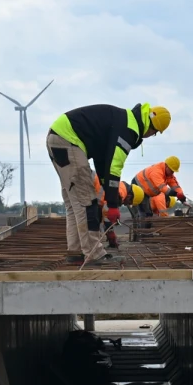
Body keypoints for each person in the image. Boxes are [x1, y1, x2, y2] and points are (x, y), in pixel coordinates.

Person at [46, 103, 171, 265]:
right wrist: (113, 205)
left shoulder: (123, 119)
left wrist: (106, 188)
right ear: (153, 128)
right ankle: (94, 254)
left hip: (58, 137)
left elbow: (101, 160)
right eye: (154, 134)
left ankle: (75, 252)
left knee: (74, 203)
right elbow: (114, 166)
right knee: (86, 203)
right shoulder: (129, 129)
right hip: (69, 140)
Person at [92, 175, 145, 248]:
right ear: (129, 196)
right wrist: (110, 231)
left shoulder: (121, 188)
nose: (125, 204)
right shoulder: (121, 193)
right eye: (129, 203)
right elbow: (107, 211)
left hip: (87, 186)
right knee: (92, 221)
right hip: (87, 185)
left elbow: (104, 211)